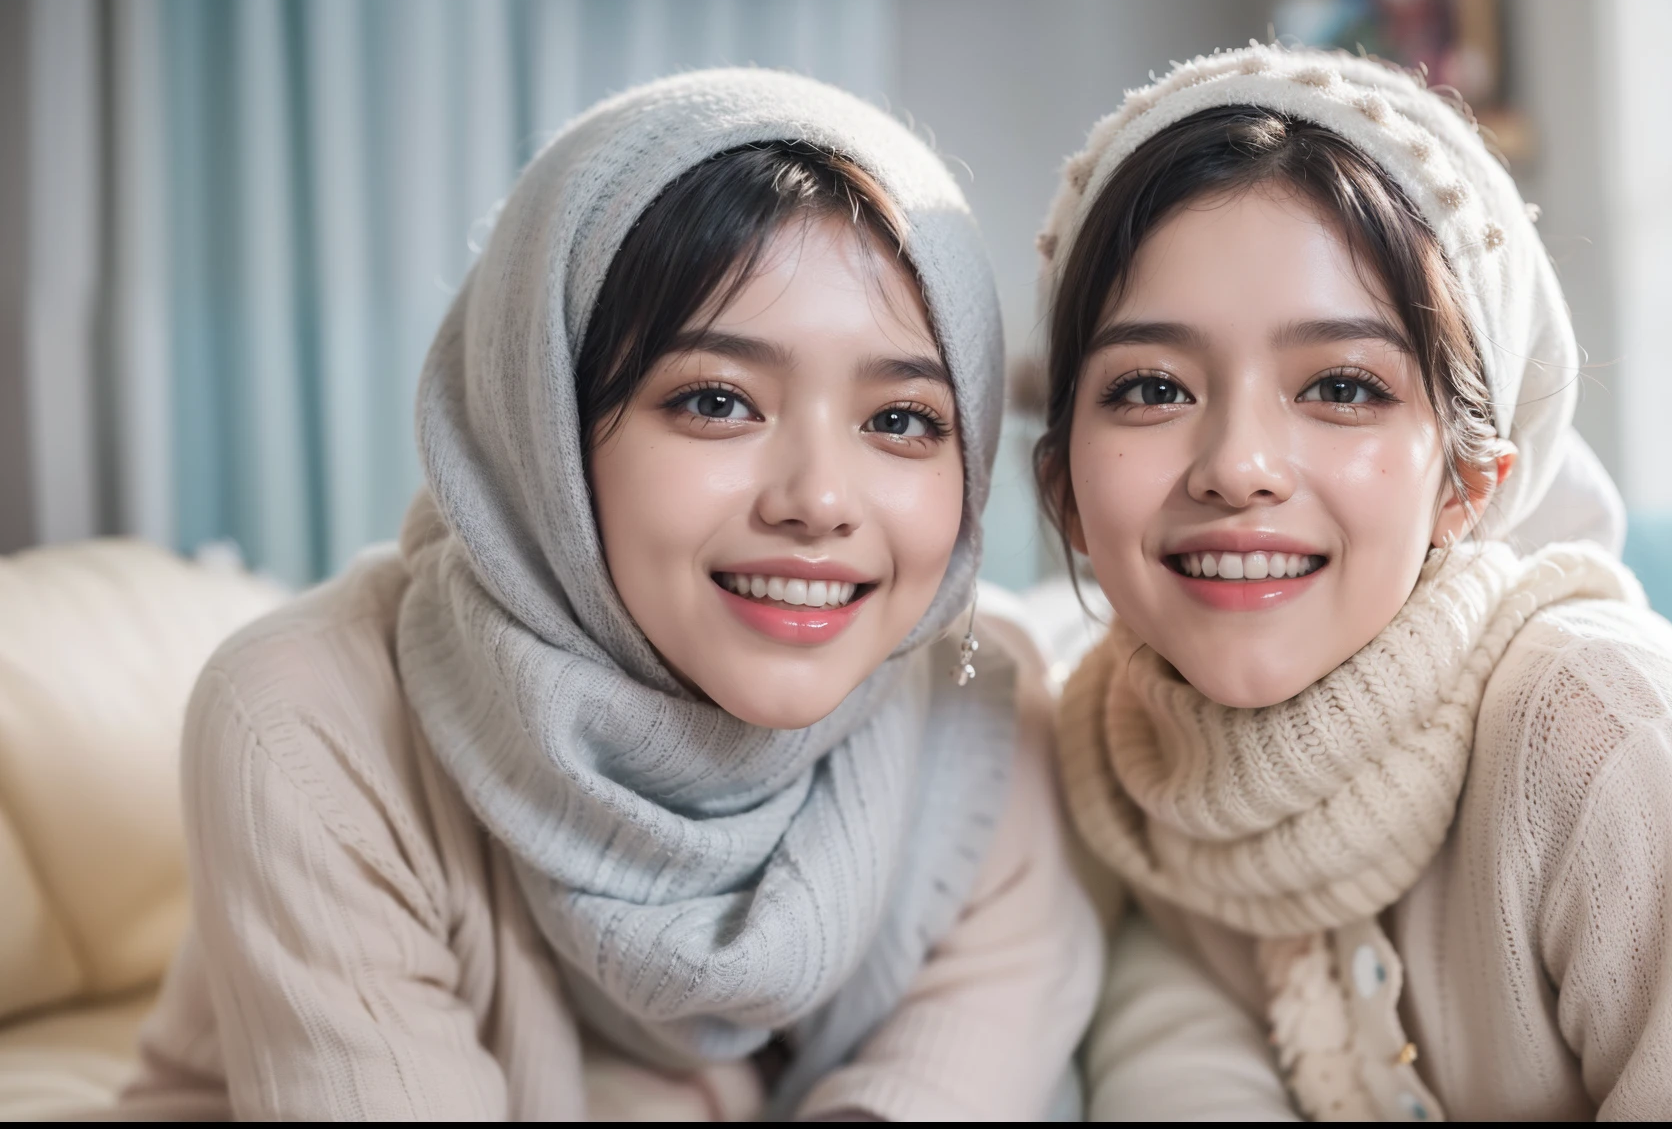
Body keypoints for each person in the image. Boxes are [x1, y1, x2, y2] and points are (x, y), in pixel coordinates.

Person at [1036, 43, 1672, 1121]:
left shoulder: (1606, 733)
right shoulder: (1125, 741)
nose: (1237, 464)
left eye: (1338, 384)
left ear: (1468, 482)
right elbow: (1184, 1024)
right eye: (1150, 386)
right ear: (1061, 490)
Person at [120, 68, 1099, 1121]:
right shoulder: (308, 722)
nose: (819, 499)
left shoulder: (985, 719)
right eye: (716, 400)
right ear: (538, 424)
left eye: (901, 418)